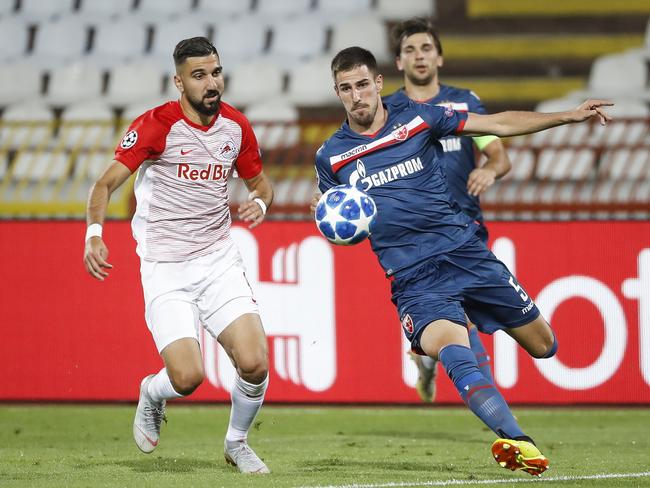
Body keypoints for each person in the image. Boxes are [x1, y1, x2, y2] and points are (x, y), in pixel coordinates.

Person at [315, 46, 611, 476]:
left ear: (378, 83)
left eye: (363, 84)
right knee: (456, 350)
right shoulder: (331, 156)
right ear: (337, 93)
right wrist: (330, 225)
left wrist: (567, 115)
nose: (356, 96)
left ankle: (451, 352)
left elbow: (497, 124)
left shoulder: (419, 117)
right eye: (346, 89)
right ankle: (517, 440)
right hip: (415, 278)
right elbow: (331, 210)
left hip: (465, 253)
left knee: (545, 345)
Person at [83, 37, 273, 474]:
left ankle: (237, 443)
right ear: (179, 81)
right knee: (188, 378)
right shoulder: (156, 125)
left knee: (255, 362)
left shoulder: (236, 127)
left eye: (216, 72)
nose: (212, 83)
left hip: (218, 259)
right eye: (199, 75)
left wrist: (260, 204)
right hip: (166, 267)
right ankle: (152, 391)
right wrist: (95, 233)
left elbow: (262, 184)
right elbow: (103, 185)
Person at [384, 18, 510, 402]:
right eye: (410, 50)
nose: (419, 56)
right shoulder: (387, 111)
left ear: (439, 57)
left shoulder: (464, 103)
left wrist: (489, 170)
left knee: (465, 319)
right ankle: (497, 411)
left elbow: (498, 155)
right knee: (460, 322)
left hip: (464, 226)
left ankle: (432, 366)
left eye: (426, 48)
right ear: (399, 62)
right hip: (415, 236)